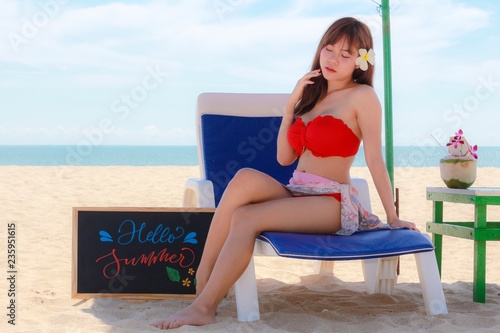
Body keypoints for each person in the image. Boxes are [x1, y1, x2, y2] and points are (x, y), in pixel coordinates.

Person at [152, 16, 417, 330]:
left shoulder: (363, 97)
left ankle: (204, 306)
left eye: (345, 55)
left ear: (360, 62)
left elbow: (374, 158)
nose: (333, 59)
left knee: (246, 217)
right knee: (244, 179)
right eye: (328, 49)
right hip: (299, 190)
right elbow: (283, 158)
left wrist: (393, 214)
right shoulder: (314, 97)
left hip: (331, 201)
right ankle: (201, 283)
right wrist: (291, 105)